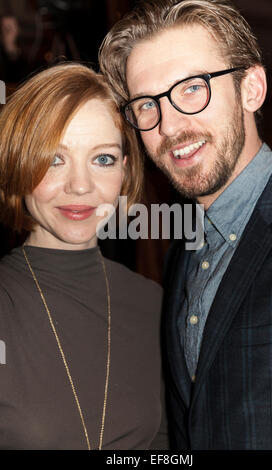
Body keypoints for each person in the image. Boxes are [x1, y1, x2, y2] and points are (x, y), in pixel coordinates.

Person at [99, 0, 272, 450]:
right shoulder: (183, 257)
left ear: (251, 88)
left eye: (192, 88)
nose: (170, 126)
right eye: (147, 104)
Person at [0, 62, 168, 450]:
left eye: (103, 159)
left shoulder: (154, 303)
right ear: (20, 163)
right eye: (55, 159)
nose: (80, 185)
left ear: (124, 172)